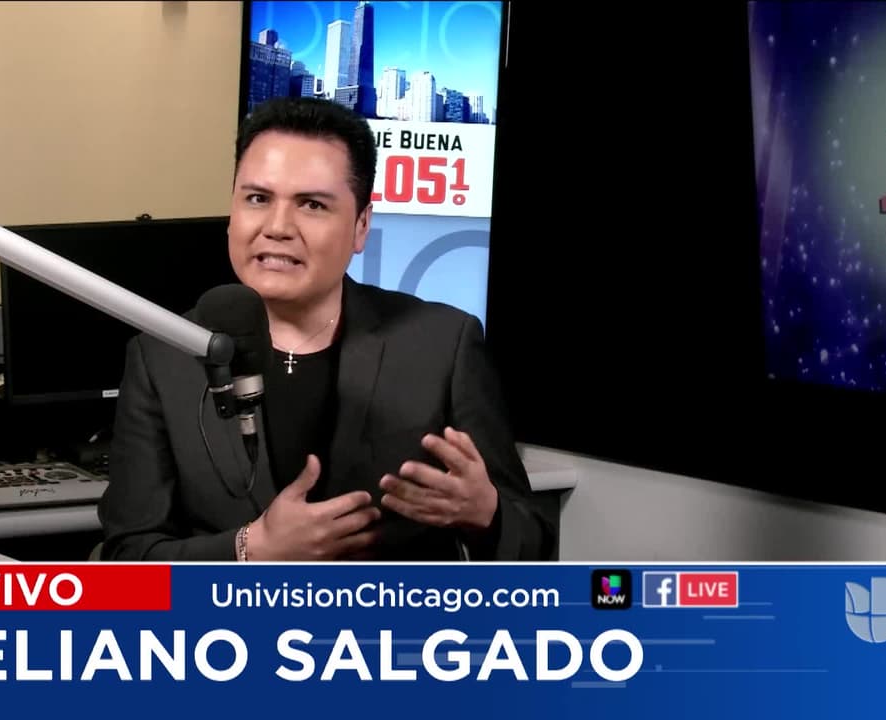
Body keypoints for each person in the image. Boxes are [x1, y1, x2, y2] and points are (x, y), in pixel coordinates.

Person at [96, 97, 557, 561]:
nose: (277, 227)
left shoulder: (442, 344)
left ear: (361, 226)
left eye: (312, 204)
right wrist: (250, 551)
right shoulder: (162, 356)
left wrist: (488, 515)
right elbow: (125, 558)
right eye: (258, 199)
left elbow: (535, 545)